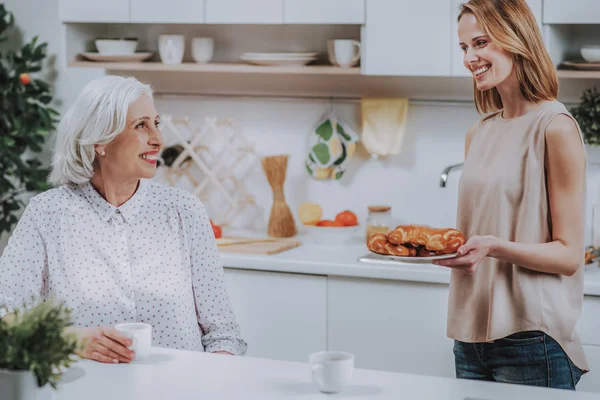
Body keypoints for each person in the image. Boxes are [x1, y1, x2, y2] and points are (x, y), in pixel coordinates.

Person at [0, 75, 247, 363]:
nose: (158, 139)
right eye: (141, 125)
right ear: (99, 141)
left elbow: (223, 334)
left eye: (156, 123)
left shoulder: (184, 211)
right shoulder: (48, 215)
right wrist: (67, 339)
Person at [434, 0, 589, 390]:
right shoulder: (479, 132)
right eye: (464, 47)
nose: (470, 57)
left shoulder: (555, 127)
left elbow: (570, 255)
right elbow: (482, 230)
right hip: (469, 336)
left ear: (515, 39)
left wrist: (493, 247)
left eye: (481, 42)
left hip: (531, 338)